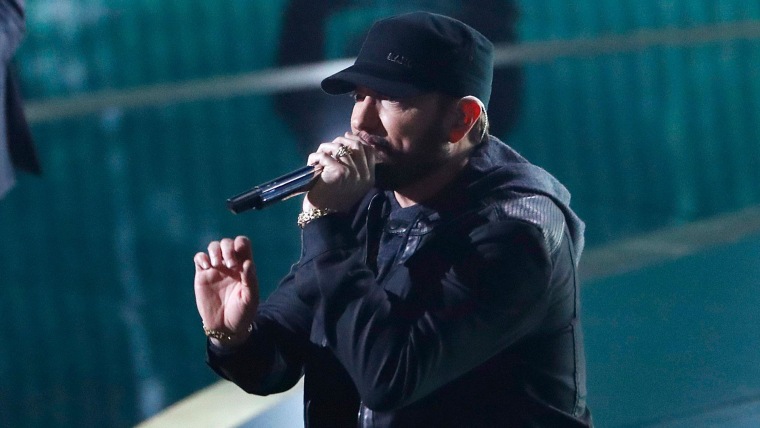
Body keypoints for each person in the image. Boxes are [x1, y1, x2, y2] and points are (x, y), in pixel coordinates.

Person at [194, 11, 592, 427]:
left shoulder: (518, 230)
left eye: (390, 99)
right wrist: (233, 336)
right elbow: (280, 359)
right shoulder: (367, 205)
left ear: (462, 119)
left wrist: (324, 224)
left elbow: (390, 377)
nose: (360, 122)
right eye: (357, 97)